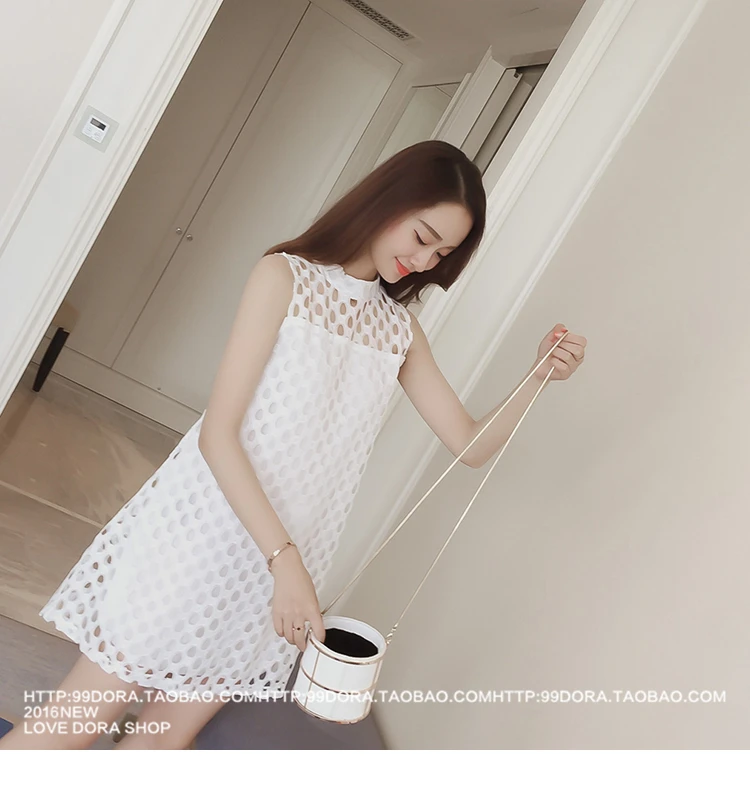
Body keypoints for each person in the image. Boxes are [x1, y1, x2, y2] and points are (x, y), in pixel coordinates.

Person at [0, 139, 586, 750]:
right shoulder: (284, 278)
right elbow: (219, 435)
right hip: (203, 541)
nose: (424, 260)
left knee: (156, 748)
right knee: (65, 733)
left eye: (441, 254)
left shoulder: (399, 331)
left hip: (274, 577)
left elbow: (469, 444)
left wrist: (537, 377)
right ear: (388, 203)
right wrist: (286, 564)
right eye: (422, 236)